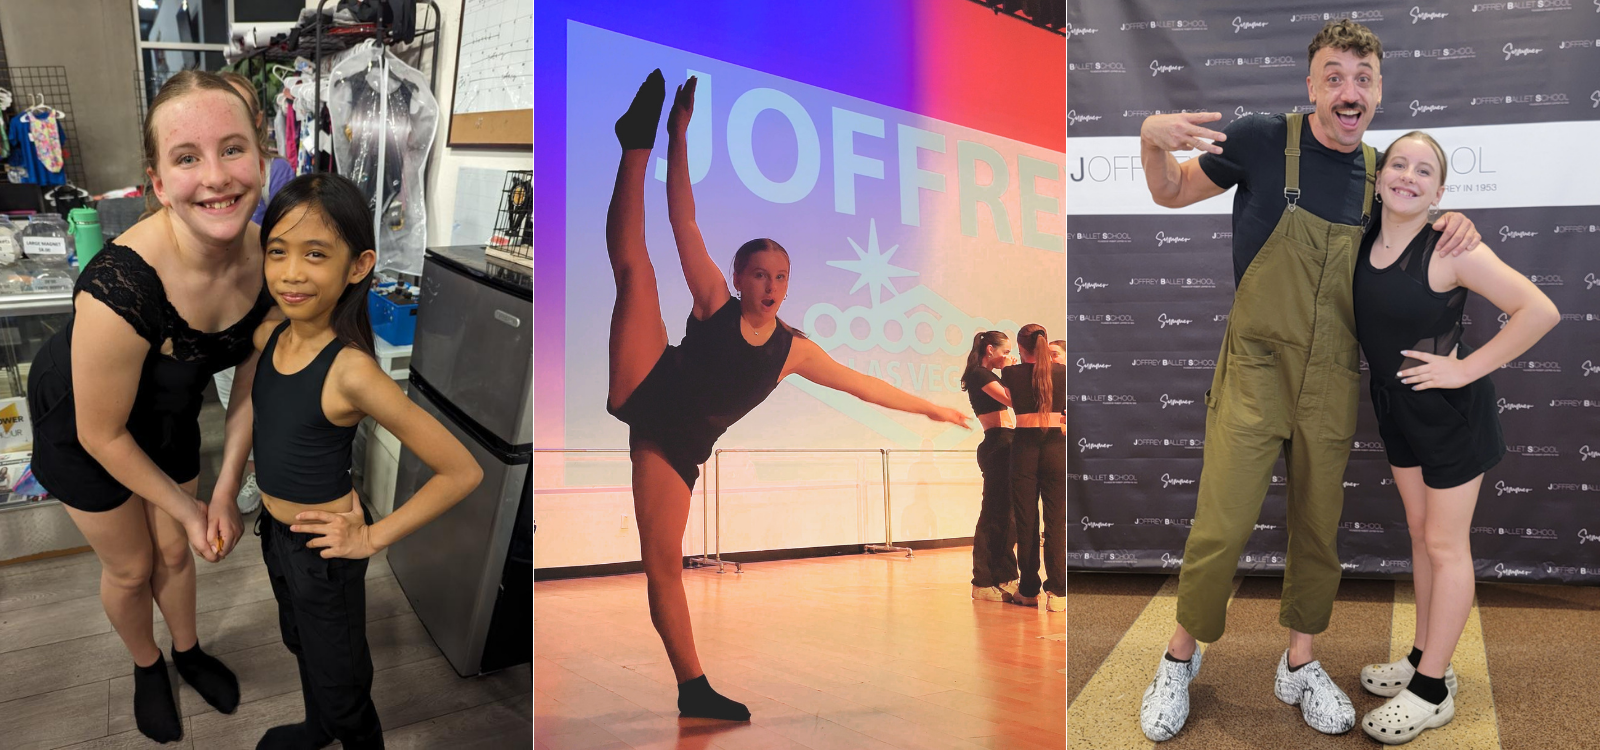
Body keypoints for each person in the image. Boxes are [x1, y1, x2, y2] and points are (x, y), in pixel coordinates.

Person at [1134, 21, 1485, 741]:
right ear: (1311, 86)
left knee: (1318, 530)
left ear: (1379, 91)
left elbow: (1426, 234)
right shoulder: (1263, 139)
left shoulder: (1385, 173)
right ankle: (1178, 658)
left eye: (1362, 78)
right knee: (1222, 524)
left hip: (1331, 375)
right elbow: (1170, 193)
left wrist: (1460, 228)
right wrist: (1147, 136)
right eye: (1333, 76)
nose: (1348, 92)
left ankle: (1299, 664)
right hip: (1256, 368)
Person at [607, 70, 969, 721]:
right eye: (760, 275)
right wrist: (677, 134)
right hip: (649, 385)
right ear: (740, 278)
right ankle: (635, 142)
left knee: (661, 564)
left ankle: (692, 692)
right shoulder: (715, 301)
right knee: (636, 272)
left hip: (676, 444)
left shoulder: (793, 350)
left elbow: (866, 385)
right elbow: (681, 216)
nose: (771, 286)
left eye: (781, 277)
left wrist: (933, 406)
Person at [24, 70, 275, 743]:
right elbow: (102, 432)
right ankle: (146, 663)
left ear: (263, 160)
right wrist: (188, 504)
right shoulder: (119, 284)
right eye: (187, 158)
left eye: (233, 149)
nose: (216, 176)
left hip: (168, 408)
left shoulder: (271, 260)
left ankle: (188, 650)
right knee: (133, 565)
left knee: (177, 548)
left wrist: (225, 493)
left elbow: (249, 385)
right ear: (159, 184)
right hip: (85, 422)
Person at [237, 173, 483, 749]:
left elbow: (462, 470)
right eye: (278, 251)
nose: (292, 272)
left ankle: (345, 730)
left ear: (357, 265)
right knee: (302, 643)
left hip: (325, 550)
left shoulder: (350, 371)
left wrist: (372, 538)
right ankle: (318, 724)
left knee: (344, 683)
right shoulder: (273, 334)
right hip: (275, 533)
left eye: (316, 254)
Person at [1350, 133, 1556, 744]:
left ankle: (1433, 689)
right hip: (1397, 410)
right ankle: (1420, 658)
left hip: (1451, 419)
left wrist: (1465, 368)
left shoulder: (1452, 246)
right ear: (1380, 175)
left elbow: (1539, 310)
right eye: (1398, 165)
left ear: (1440, 191)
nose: (1408, 177)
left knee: (1445, 545)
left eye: (1425, 171)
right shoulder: (1360, 236)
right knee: (1421, 536)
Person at [214, 70, 296, 515]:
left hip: (268, 307)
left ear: (259, 119)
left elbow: (289, 236)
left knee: (271, 393)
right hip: (223, 308)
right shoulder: (210, 172)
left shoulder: (275, 170)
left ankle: (273, 473)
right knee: (234, 396)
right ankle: (249, 473)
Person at [1001, 324, 1064, 612]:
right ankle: (1059, 594)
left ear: (1020, 347)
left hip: (1025, 447)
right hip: (1055, 447)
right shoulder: (1064, 372)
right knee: (1056, 522)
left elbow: (1012, 401)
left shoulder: (1011, 373)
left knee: (1027, 522)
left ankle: (1028, 592)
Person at [961, 330, 1018, 602]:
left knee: (1008, 515)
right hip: (997, 444)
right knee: (992, 514)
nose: (1008, 357)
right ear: (990, 351)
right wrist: (1010, 373)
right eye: (1005, 352)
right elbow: (1013, 399)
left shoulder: (988, 375)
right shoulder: (980, 375)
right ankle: (982, 581)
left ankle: (1005, 576)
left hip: (1009, 442)